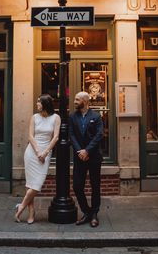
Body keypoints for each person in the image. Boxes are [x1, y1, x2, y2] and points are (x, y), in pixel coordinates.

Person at [15, 94, 61, 224]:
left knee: (37, 184)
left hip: (45, 152)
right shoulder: (34, 117)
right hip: (31, 152)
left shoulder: (56, 118)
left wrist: (45, 153)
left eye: (39, 102)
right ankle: (31, 212)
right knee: (30, 184)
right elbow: (30, 136)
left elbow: (55, 137)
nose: (37, 104)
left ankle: (21, 206)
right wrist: (37, 152)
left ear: (45, 104)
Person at [69, 91, 103, 228]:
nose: (75, 102)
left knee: (95, 186)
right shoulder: (72, 116)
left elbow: (99, 135)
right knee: (77, 186)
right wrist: (80, 151)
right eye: (75, 99)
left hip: (94, 156)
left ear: (85, 101)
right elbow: (71, 135)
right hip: (79, 157)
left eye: (77, 100)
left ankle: (94, 214)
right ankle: (87, 212)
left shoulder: (96, 116)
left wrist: (87, 150)